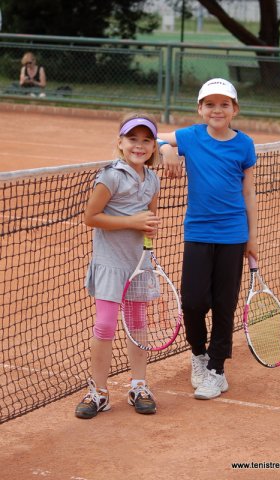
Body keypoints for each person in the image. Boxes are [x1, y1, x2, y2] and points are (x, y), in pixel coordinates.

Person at [158, 78, 258, 400]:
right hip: (198, 233)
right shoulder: (190, 136)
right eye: (210, 104)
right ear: (200, 109)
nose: (217, 110)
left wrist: (252, 237)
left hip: (233, 235)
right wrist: (165, 149)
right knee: (193, 302)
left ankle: (216, 369)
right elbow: (149, 133)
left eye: (224, 104)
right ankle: (198, 355)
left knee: (224, 305)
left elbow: (248, 191)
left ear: (234, 110)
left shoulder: (244, 144)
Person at [75, 113, 161, 419]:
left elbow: (148, 219)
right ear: (120, 142)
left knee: (138, 325)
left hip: (137, 264)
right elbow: (91, 217)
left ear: (153, 146)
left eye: (146, 140)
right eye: (132, 139)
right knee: (106, 325)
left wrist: (147, 229)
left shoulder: (152, 179)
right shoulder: (110, 176)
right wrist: (131, 221)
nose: (139, 145)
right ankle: (98, 391)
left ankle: (139, 385)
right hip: (110, 263)